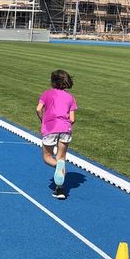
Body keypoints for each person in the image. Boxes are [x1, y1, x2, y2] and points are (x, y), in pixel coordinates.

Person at [36, 69, 78, 200]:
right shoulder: (70, 97)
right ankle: (60, 189)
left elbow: (38, 109)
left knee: (47, 156)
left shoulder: (47, 94)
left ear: (52, 82)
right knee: (61, 157)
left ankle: (57, 166)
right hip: (65, 128)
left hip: (50, 127)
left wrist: (43, 120)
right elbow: (72, 119)